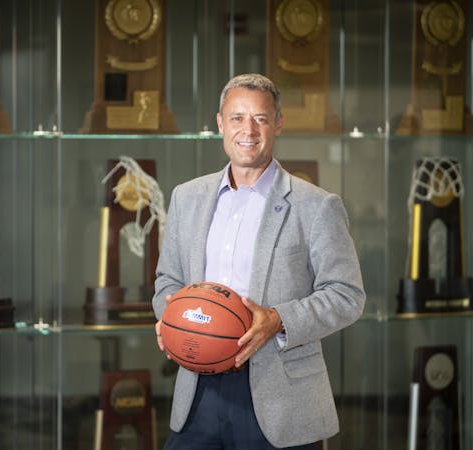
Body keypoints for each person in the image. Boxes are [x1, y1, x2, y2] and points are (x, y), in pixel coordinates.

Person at [153, 73, 365, 449]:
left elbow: (347, 295)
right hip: (197, 393)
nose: (247, 130)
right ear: (220, 122)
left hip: (280, 400)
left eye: (260, 119)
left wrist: (278, 320)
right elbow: (168, 281)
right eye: (236, 117)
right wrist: (173, 320)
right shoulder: (187, 198)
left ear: (278, 124)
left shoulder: (316, 205)